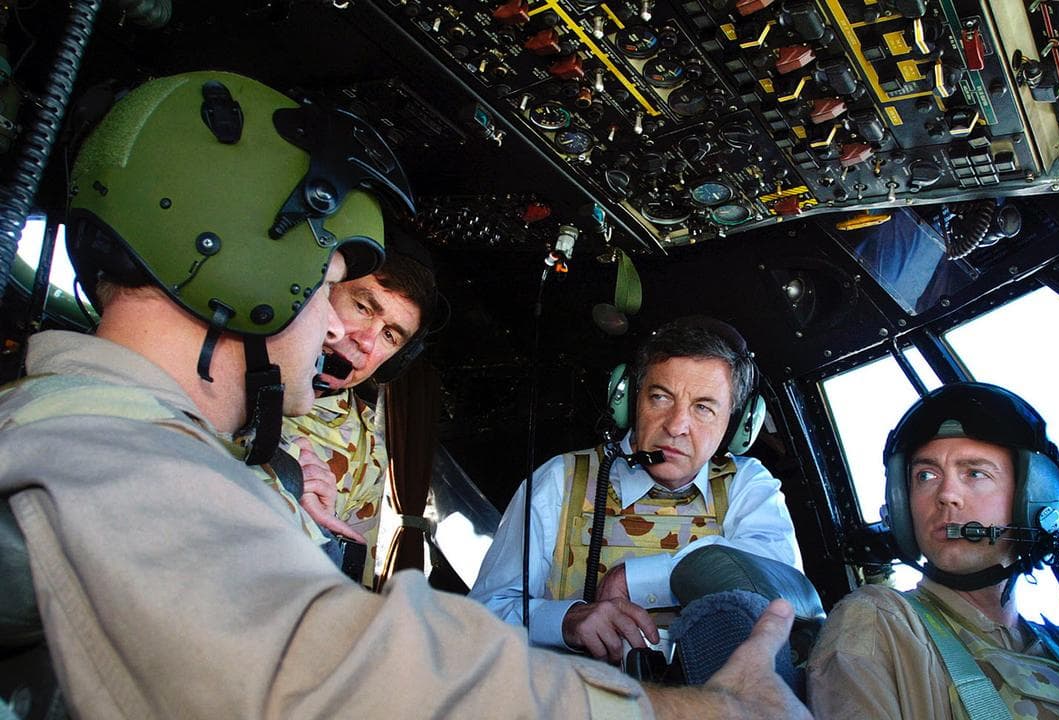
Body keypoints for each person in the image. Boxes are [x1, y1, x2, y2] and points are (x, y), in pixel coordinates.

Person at [0, 70, 810, 719]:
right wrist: (704, 711)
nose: (333, 331)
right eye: (331, 288)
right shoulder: (119, 457)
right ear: (244, 269)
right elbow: (329, 682)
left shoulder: (110, 436)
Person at [806, 382, 1059, 719]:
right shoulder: (881, 623)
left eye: (975, 473)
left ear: (1033, 498)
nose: (947, 495)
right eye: (925, 476)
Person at [471, 316, 803, 662]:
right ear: (629, 400)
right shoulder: (561, 479)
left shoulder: (746, 484)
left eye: (703, 407)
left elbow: (781, 583)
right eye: (660, 397)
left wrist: (641, 579)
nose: (676, 426)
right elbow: (483, 615)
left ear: (736, 425)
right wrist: (564, 621)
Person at [261, 246, 435, 588]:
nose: (366, 341)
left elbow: (344, 585)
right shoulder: (222, 366)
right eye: (362, 307)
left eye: (389, 335)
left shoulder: (367, 449)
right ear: (322, 290)